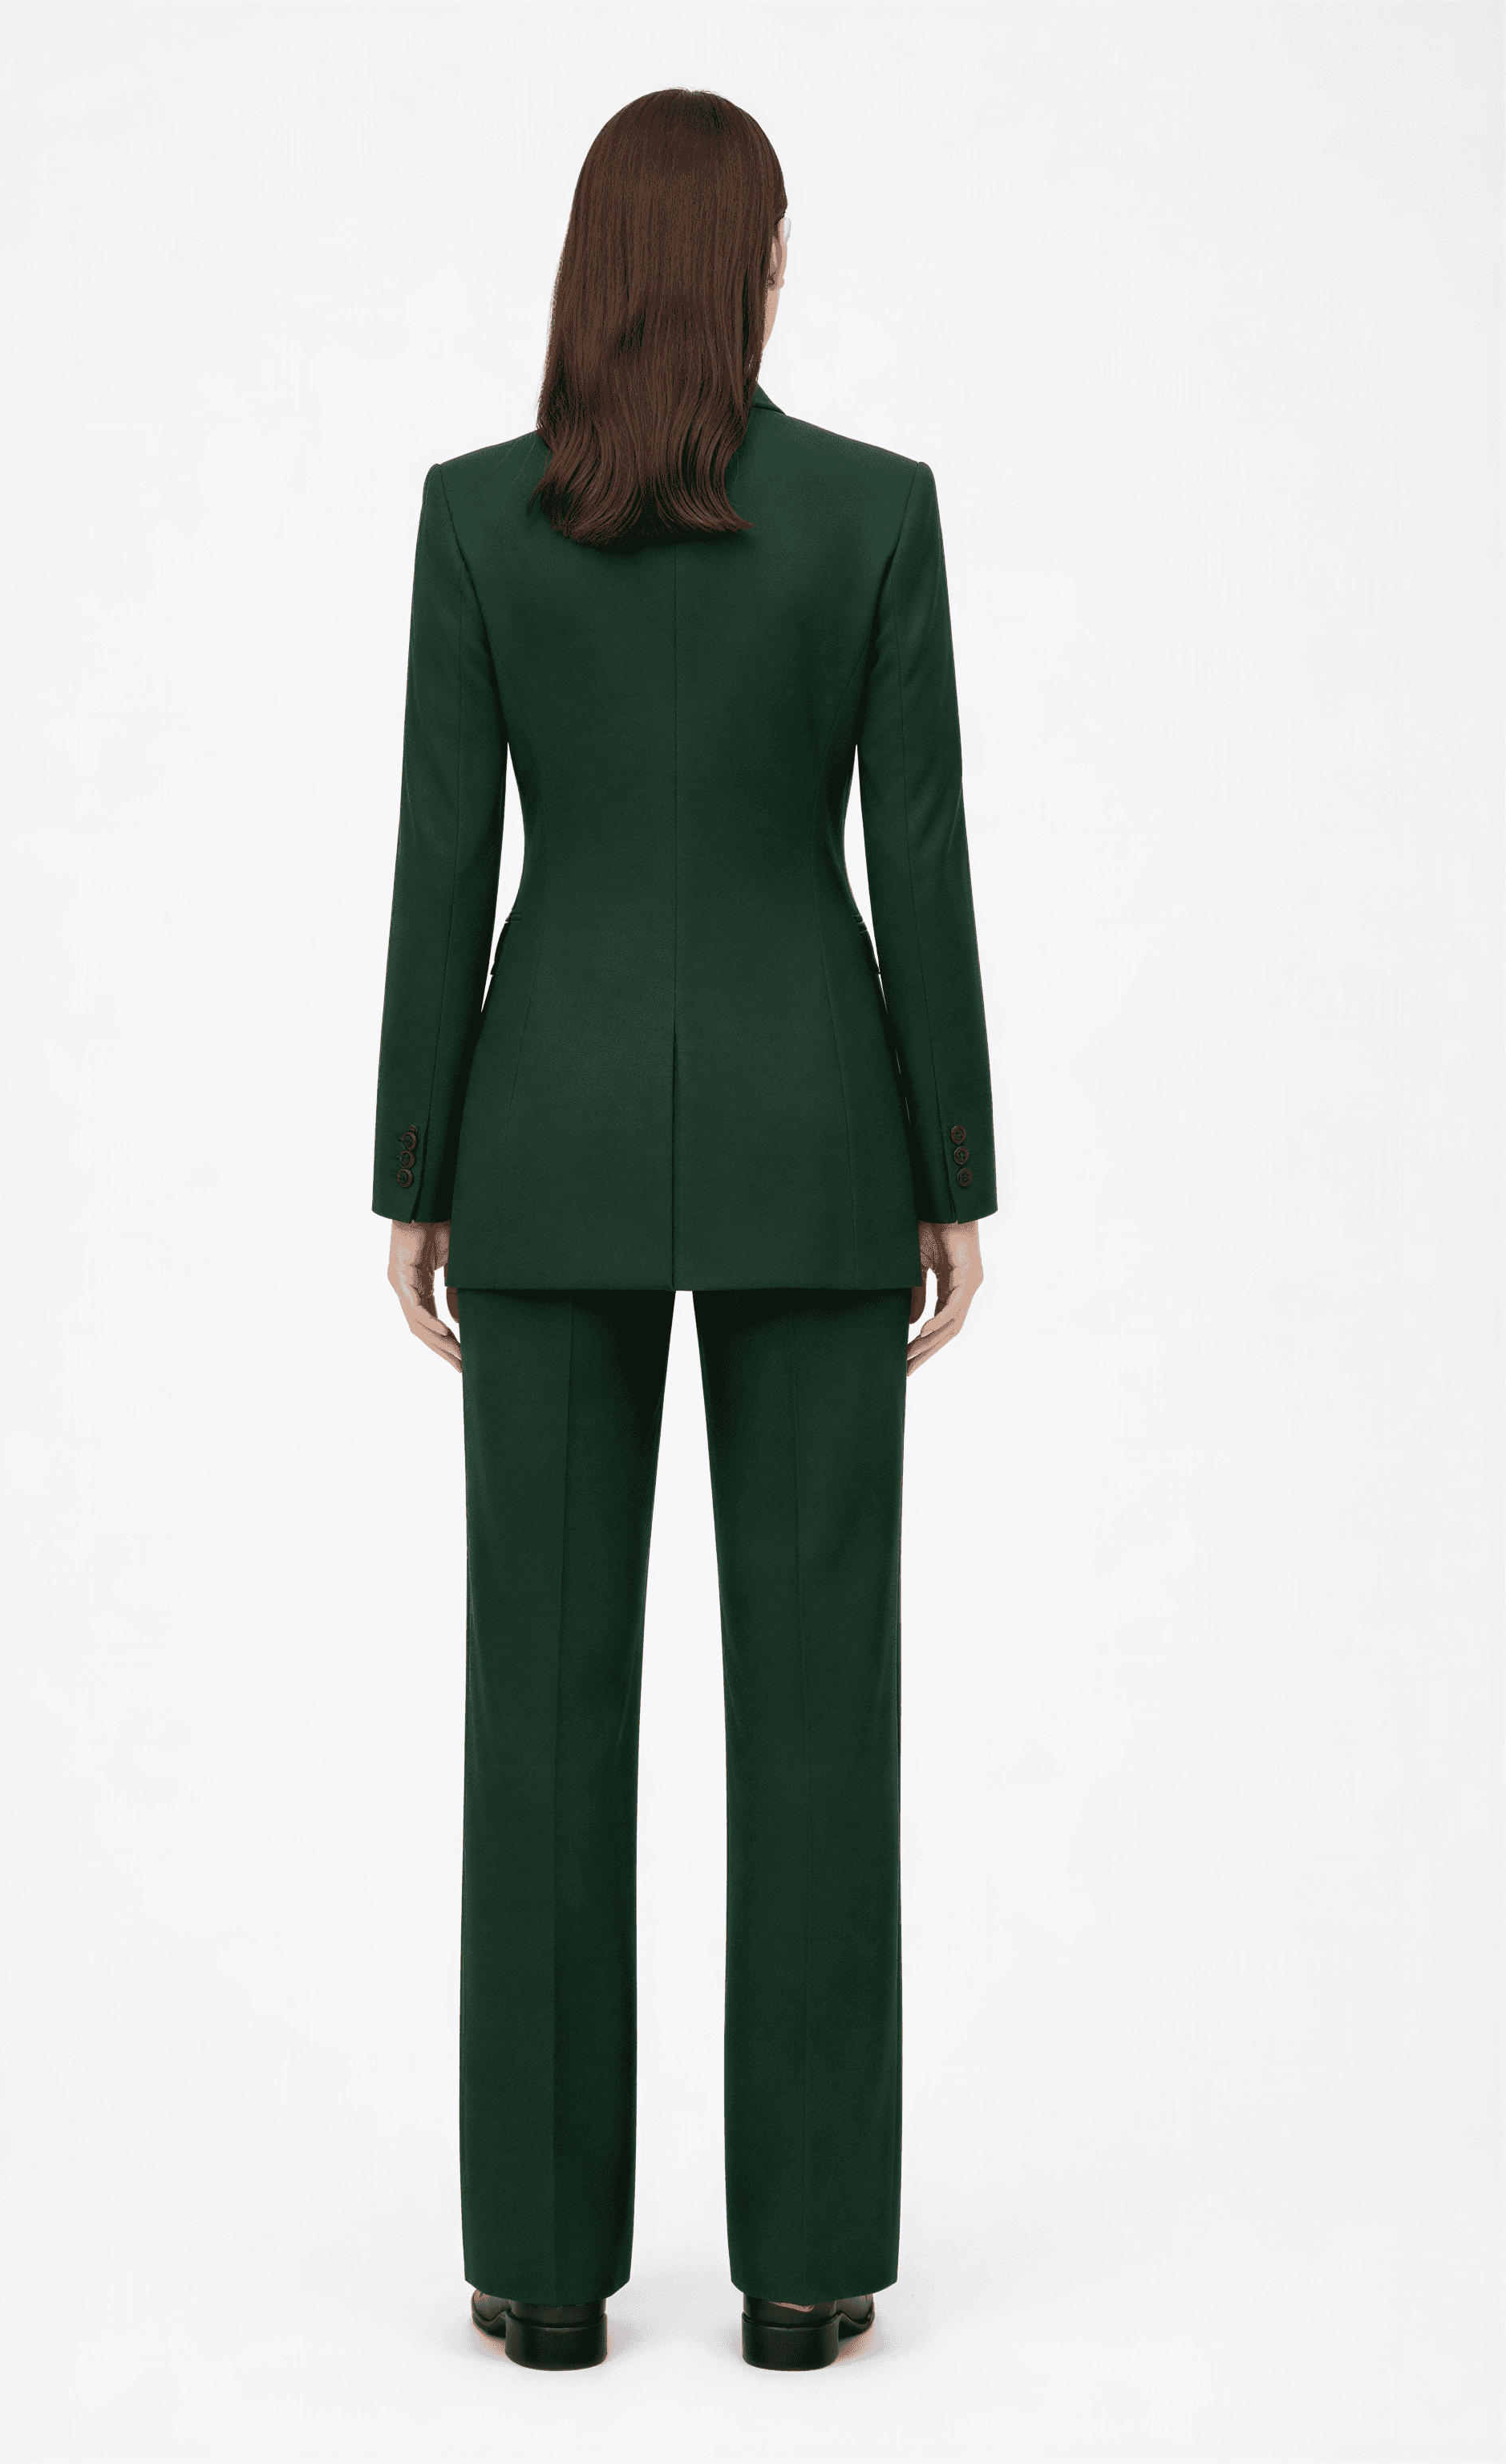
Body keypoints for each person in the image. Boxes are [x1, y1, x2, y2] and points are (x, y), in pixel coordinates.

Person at [373, 87, 994, 2374]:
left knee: (538, 1715)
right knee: (822, 1710)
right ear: (755, 265)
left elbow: (445, 863)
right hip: (820, 1145)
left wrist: (417, 1169)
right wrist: (952, 1167)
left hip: (538, 1147)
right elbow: (917, 862)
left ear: (595, 263)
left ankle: (542, 2273)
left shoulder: (477, 520)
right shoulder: (874, 514)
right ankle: (809, 2270)